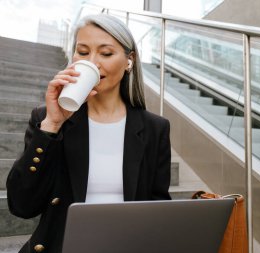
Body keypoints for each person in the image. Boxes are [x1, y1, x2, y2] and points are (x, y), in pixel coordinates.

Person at [6, 14, 171, 253]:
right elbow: (21, 205)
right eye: (82, 52)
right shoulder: (48, 120)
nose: (92, 62)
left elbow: (159, 212)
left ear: (129, 61)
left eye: (105, 53)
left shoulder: (155, 128)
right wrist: (52, 124)